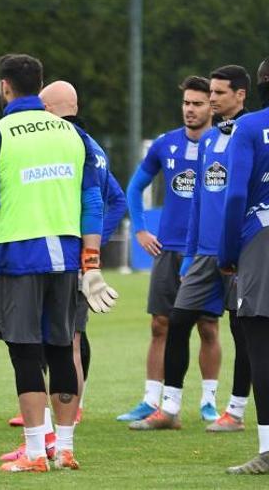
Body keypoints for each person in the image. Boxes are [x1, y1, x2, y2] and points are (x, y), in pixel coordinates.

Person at [0, 54, 116, 473]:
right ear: (38, 89)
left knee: (25, 354)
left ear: (5, 87)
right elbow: (93, 202)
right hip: (67, 259)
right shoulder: (72, 135)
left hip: (20, 257)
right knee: (61, 349)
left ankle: (36, 452)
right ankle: (66, 448)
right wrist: (90, 264)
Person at [0, 80, 127, 461]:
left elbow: (110, 201)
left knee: (50, 340)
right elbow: (116, 201)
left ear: (50, 109)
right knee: (67, 338)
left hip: (55, 255)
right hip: (72, 256)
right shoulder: (90, 144)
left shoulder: (66, 141)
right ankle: (57, 432)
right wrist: (92, 244)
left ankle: (46, 436)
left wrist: (86, 245)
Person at [130, 65, 249, 431]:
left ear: (240, 95)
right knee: (175, 321)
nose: (208, 101)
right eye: (204, 95)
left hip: (241, 251)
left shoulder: (250, 133)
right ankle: (168, 407)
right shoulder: (211, 141)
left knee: (242, 331)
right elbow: (199, 199)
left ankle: (234, 411)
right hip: (201, 253)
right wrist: (192, 251)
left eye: (215, 94)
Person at [119, 75, 221, 423]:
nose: (190, 110)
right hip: (169, 249)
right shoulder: (165, 144)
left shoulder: (223, 144)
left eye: (197, 104)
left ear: (212, 106)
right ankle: (151, 399)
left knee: (208, 327)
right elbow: (134, 188)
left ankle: (209, 402)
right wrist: (141, 229)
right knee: (160, 324)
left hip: (206, 250)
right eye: (186, 103)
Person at [218, 56, 269, 474]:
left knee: (261, 346)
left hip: (260, 240)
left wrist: (227, 254)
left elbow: (235, 197)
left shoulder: (249, 128)